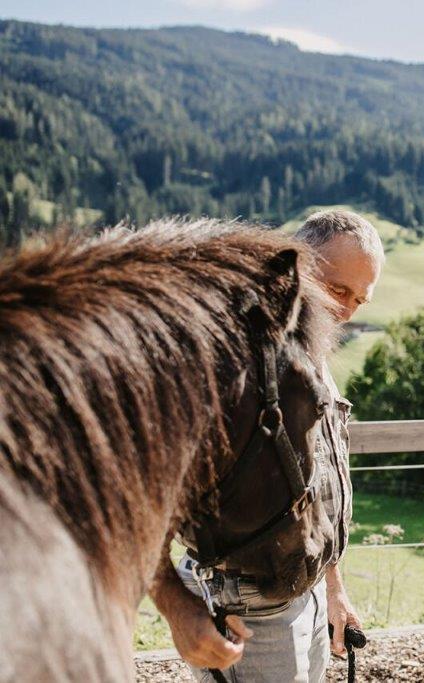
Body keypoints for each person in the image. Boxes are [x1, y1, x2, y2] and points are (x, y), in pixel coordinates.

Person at [149, 209, 384, 682]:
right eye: (338, 290)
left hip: (309, 595)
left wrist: (331, 588)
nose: (345, 311)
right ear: (297, 267)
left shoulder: (305, 359)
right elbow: (142, 495)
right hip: (245, 615)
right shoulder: (232, 370)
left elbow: (318, 492)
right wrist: (178, 608)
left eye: (360, 299)